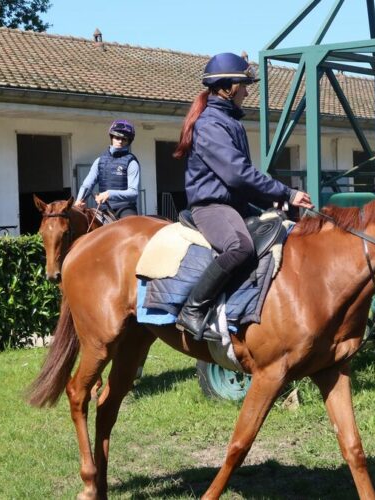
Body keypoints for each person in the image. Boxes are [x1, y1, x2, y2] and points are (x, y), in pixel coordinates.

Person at [172, 52, 314, 341]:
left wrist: (279, 203)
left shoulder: (228, 120)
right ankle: (193, 310)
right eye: (244, 85)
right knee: (240, 247)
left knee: (283, 228)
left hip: (233, 203)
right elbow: (238, 174)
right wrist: (287, 192)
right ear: (227, 88)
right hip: (211, 206)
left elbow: (242, 179)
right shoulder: (211, 124)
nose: (248, 91)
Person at [75, 120, 141, 219]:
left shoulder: (132, 162)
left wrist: (109, 194)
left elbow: (133, 193)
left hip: (125, 208)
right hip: (103, 209)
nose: (120, 141)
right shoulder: (99, 161)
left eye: (124, 139)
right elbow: (87, 185)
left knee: (132, 229)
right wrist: (80, 200)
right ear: (112, 138)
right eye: (117, 137)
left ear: (128, 142)